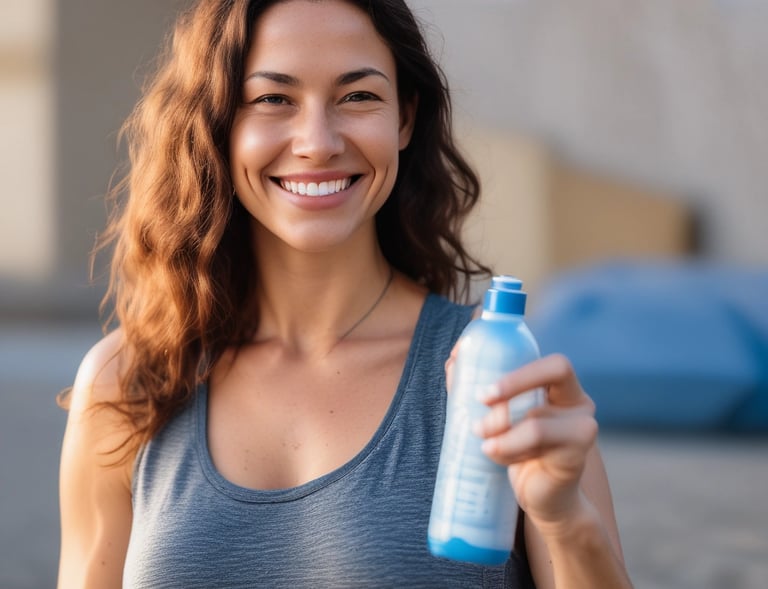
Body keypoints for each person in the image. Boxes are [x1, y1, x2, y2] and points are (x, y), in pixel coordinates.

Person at [57, 1, 634, 587]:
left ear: (404, 119)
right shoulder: (125, 384)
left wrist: (565, 521)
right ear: (218, 124)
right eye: (272, 98)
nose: (317, 142)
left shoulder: (499, 374)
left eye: (358, 97)